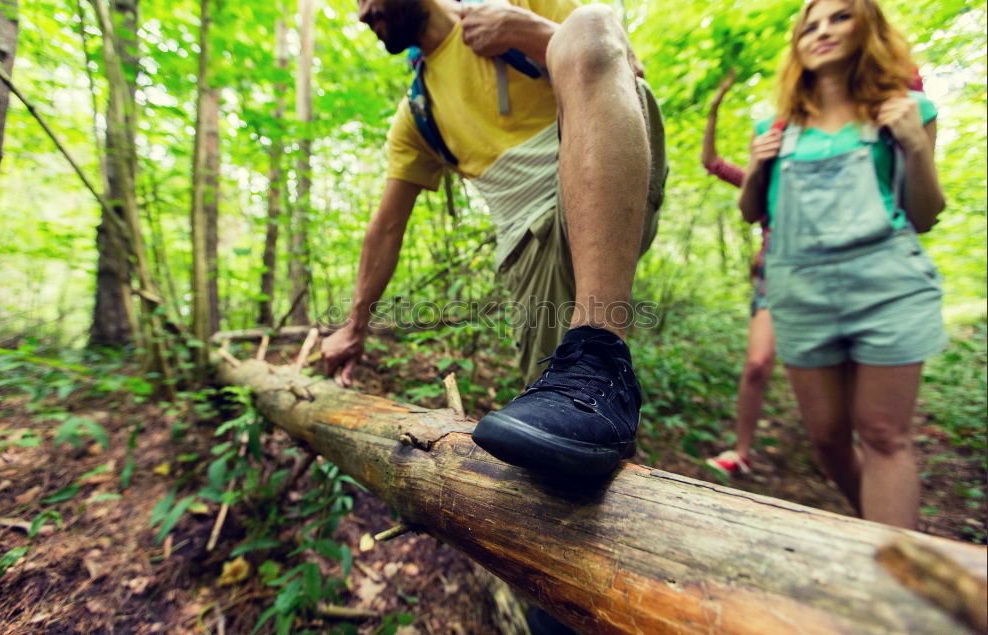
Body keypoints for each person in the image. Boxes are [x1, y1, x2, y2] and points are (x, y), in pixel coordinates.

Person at [322, 0, 668, 477]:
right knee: (565, 439)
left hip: (607, 186)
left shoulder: (519, 6)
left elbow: (620, 64)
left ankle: (600, 348)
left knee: (589, 22)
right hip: (528, 251)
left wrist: (529, 32)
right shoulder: (417, 113)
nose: (362, 14)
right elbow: (385, 228)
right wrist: (354, 326)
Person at [738, 0, 946, 529]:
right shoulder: (775, 125)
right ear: (798, 47)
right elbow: (751, 212)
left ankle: (893, 573)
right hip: (799, 289)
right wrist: (758, 165)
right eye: (810, 26)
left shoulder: (908, 110)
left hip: (888, 285)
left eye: (839, 17)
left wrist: (916, 146)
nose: (822, 31)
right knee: (828, 438)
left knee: (882, 434)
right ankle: (880, 539)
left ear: (868, 28)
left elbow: (924, 216)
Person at [701, 69, 775, 476]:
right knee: (758, 363)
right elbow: (711, 161)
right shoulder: (759, 182)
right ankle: (741, 452)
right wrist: (713, 110)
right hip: (775, 275)